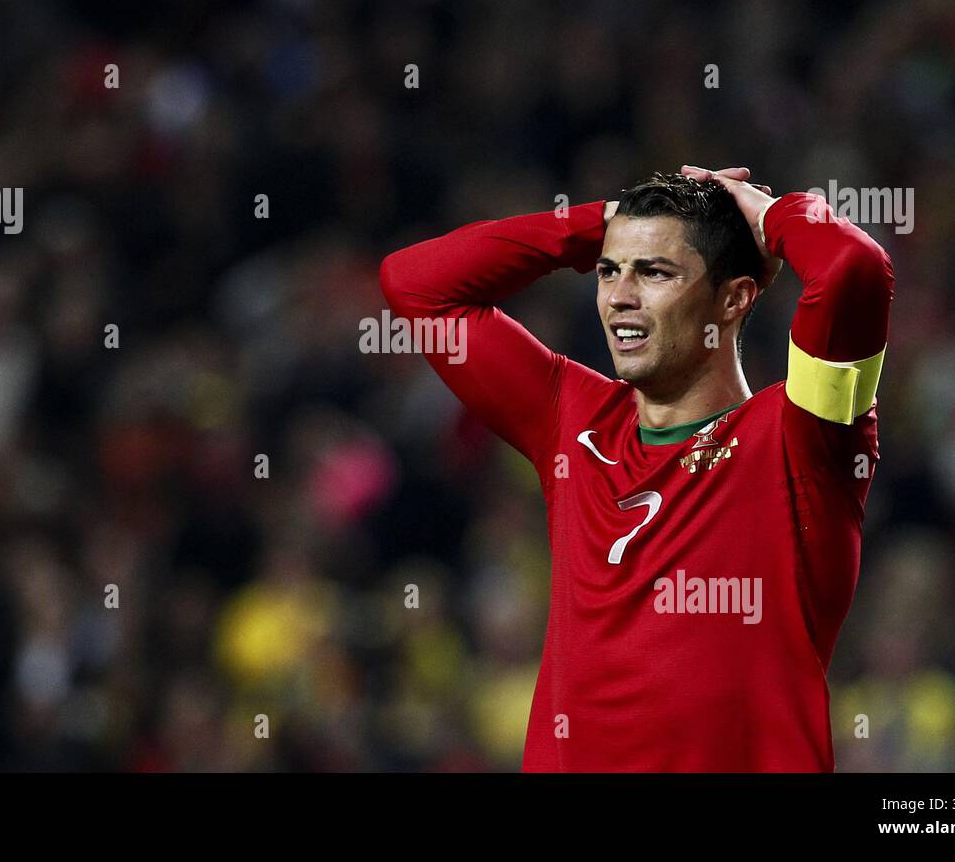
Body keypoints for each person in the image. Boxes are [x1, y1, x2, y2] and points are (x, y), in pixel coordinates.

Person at [379, 165, 895, 771]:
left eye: (654, 272)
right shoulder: (571, 421)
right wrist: (599, 222)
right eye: (608, 271)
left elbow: (853, 268)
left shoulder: (803, 436)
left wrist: (765, 215)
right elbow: (413, 284)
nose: (620, 296)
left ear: (733, 298)